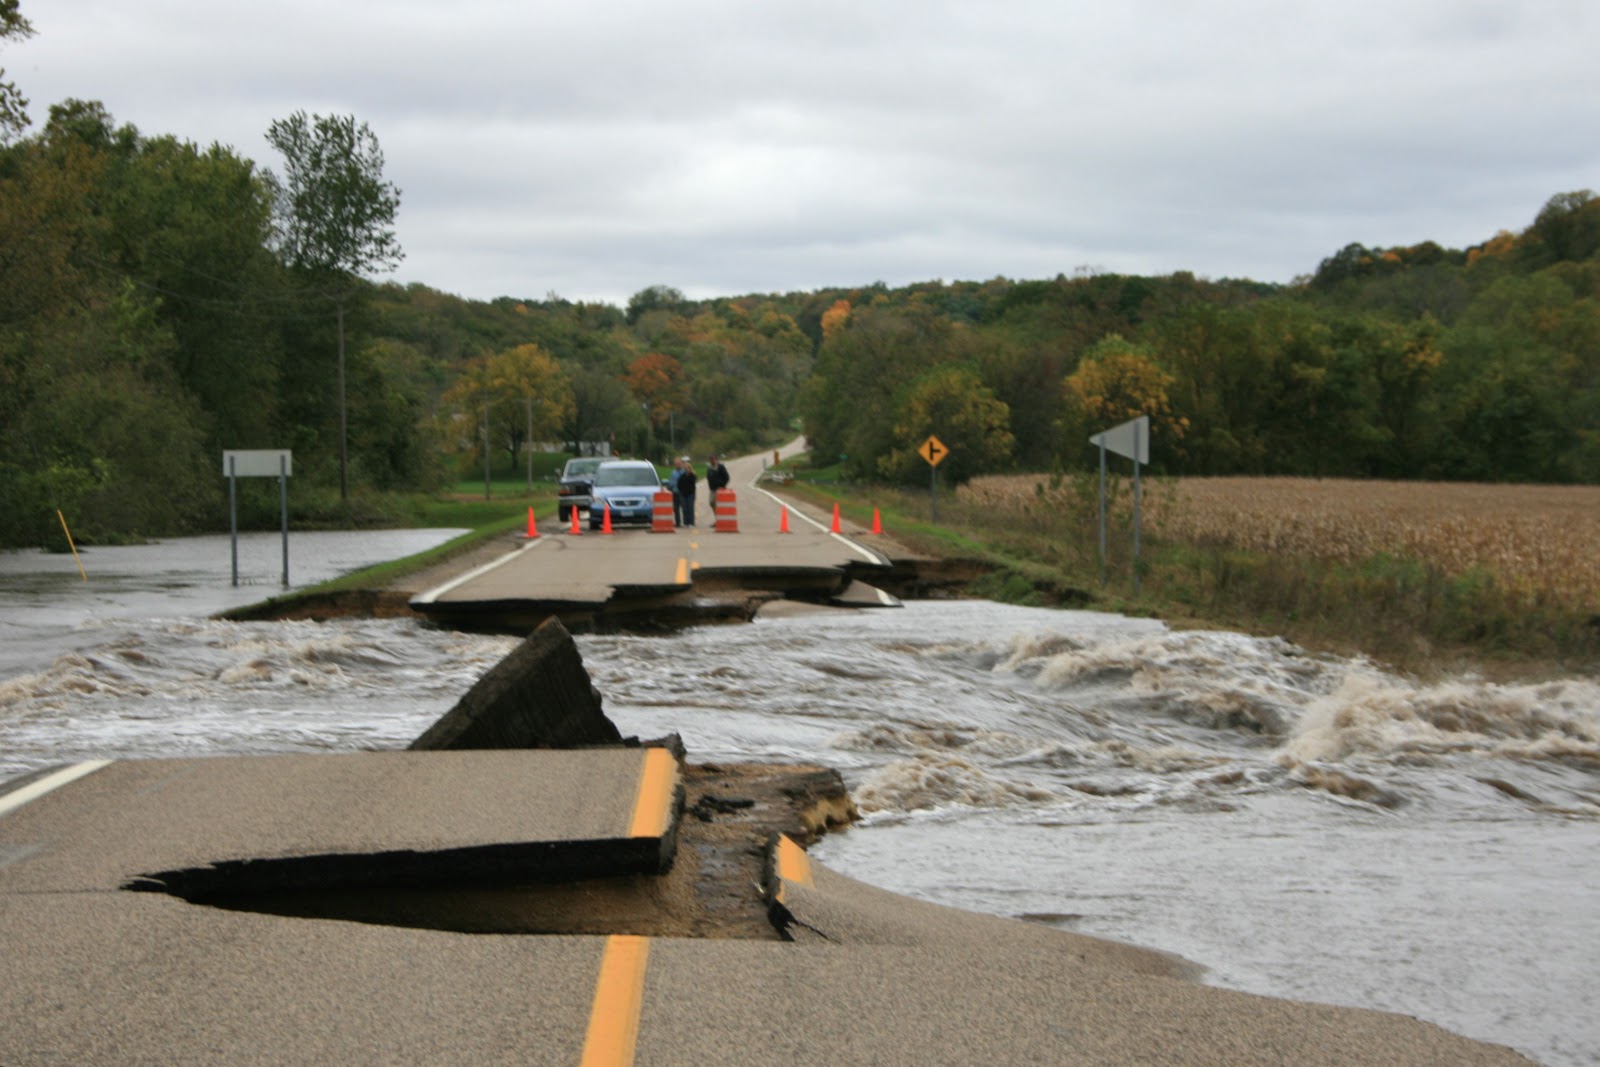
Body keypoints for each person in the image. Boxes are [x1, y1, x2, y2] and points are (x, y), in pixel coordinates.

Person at [676, 455, 697, 527]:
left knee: (690, 508)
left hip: (691, 494)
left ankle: (691, 522)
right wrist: (681, 490)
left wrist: (689, 476)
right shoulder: (682, 476)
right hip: (683, 494)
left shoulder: (693, 476)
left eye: (688, 468)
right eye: (685, 468)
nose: (686, 469)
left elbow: (693, 483)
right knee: (684, 508)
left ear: (690, 468)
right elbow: (679, 484)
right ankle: (686, 522)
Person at [667, 458, 685, 526]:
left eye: (679, 463)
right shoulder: (673, 472)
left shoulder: (684, 472)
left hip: (683, 492)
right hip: (675, 492)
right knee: (675, 508)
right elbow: (670, 482)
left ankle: (686, 522)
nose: (678, 465)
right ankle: (678, 522)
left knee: (684, 508)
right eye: (676, 464)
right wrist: (669, 488)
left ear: (681, 464)